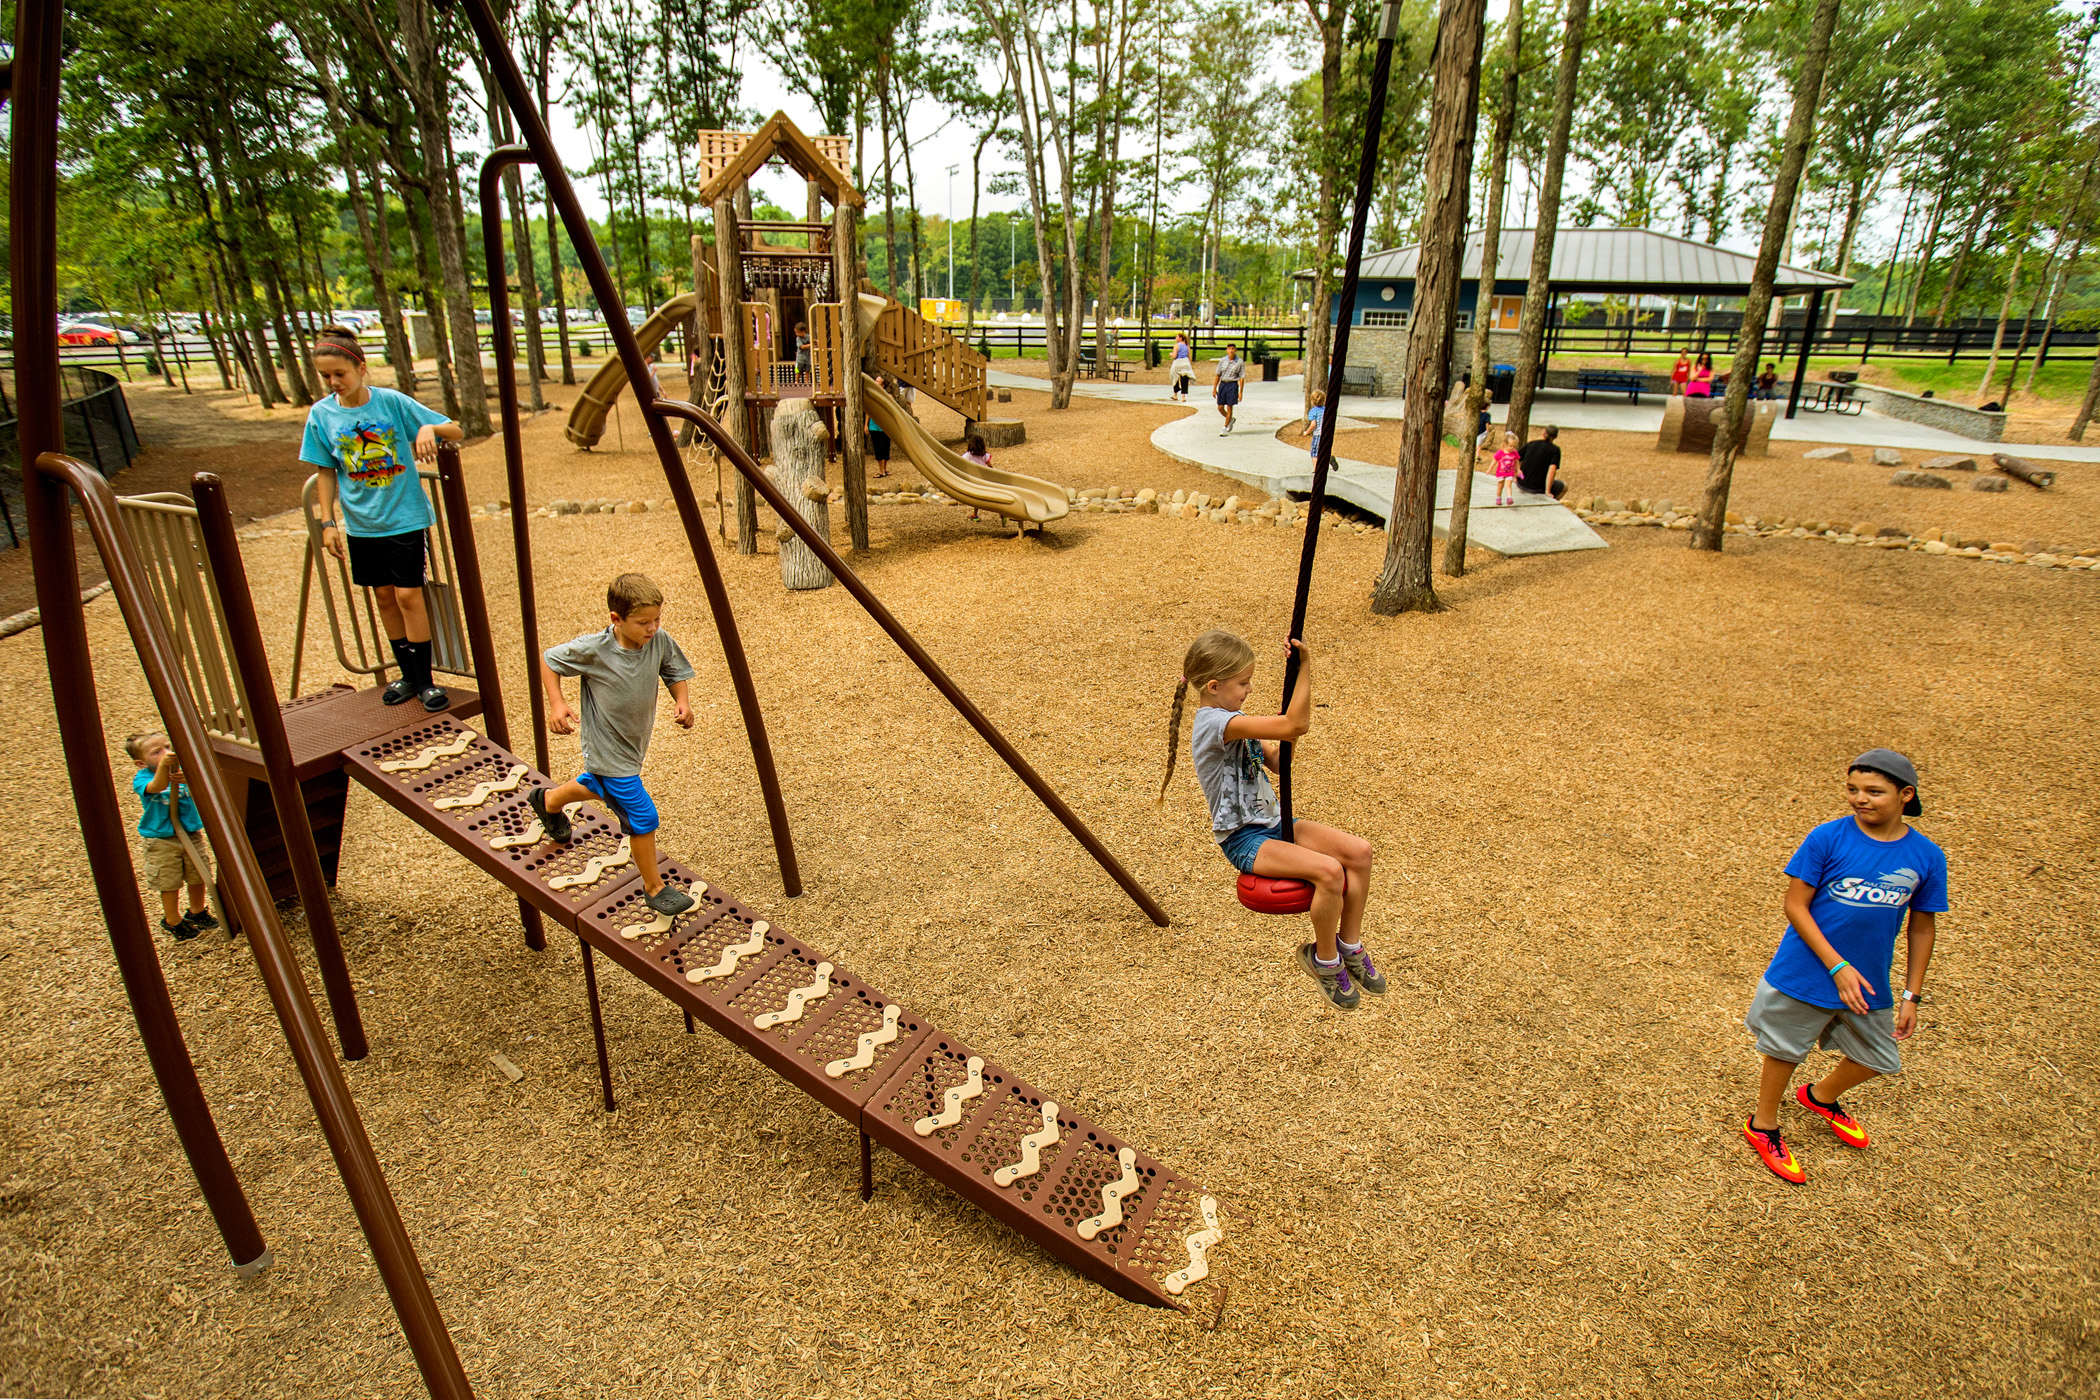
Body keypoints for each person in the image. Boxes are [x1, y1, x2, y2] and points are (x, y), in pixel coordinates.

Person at [1739, 749, 1946, 1185]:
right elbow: (1795, 906)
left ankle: (1820, 1096)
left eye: (1874, 791)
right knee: (1783, 1051)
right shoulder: (1828, 838)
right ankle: (1764, 1126)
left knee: (1879, 1058)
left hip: (1868, 980)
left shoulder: (1927, 857)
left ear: (1905, 794)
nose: (1859, 799)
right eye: (1853, 789)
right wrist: (1837, 967)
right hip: (1807, 971)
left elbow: (1921, 929)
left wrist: (1911, 995)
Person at [1159, 631, 1379, 1010]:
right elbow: (1295, 725)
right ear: (1214, 686)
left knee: (1359, 852)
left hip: (1275, 822)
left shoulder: (1235, 719)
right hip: (1245, 839)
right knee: (1330, 872)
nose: (1247, 690)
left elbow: (1279, 760)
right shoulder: (1214, 724)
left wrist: (1284, 736)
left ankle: (1350, 944)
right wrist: (1305, 667)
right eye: (1243, 683)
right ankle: (1323, 961)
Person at [301, 325, 464, 712]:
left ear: (360, 367)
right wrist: (327, 523)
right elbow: (325, 470)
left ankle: (426, 681)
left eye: (340, 374)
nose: (333, 382)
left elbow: (454, 429)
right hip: (361, 524)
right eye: (326, 376)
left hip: (404, 518)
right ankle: (406, 675)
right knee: (385, 597)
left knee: (409, 595)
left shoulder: (391, 403)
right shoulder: (321, 414)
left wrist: (427, 426)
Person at [528, 573, 700, 920]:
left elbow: (673, 670)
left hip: (631, 747)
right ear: (616, 620)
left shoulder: (658, 640)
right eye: (643, 622)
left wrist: (682, 701)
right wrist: (557, 703)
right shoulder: (595, 650)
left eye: (657, 619)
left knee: (596, 786)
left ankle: (547, 801)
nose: (652, 628)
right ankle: (654, 888)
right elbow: (549, 659)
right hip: (608, 752)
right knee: (642, 816)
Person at [126, 731, 218, 940]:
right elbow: (157, 787)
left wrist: (189, 778)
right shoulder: (143, 778)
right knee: (169, 881)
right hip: (161, 839)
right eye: (157, 752)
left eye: (167, 747)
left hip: (189, 832)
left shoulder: (181, 771)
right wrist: (164, 769)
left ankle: (197, 911)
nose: (166, 753)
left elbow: (203, 787)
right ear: (141, 763)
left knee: (199, 874)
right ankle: (173, 920)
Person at [1516, 424, 1565, 500]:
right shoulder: (1555, 450)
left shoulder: (1531, 444)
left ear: (1544, 434)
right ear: (1555, 437)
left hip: (1521, 483)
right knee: (1564, 486)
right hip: (1538, 488)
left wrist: (1515, 475)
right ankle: (1551, 503)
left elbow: (1516, 458)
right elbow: (1552, 471)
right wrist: (1547, 491)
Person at [1213, 344, 1246, 434]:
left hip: (1232, 385)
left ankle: (1224, 427)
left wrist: (1240, 392)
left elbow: (1242, 377)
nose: (1231, 351)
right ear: (1226, 350)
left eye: (1232, 349)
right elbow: (1218, 374)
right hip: (1223, 384)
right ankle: (1230, 419)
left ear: (1235, 350)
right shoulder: (1223, 360)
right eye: (1229, 349)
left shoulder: (1239, 362)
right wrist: (1214, 388)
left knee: (1229, 407)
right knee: (1220, 407)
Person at [961, 432, 992, 520]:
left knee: (976, 497)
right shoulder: (985, 455)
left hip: (974, 480)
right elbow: (990, 467)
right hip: (984, 480)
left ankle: (975, 514)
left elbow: (960, 462)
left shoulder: (968, 456)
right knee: (992, 498)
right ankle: (1002, 513)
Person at [868, 377, 892, 479]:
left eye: (877, 381)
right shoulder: (872, 396)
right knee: (878, 448)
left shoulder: (888, 396)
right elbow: (868, 411)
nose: (874, 382)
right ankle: (881, 471)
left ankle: (885, 469)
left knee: (885, 448)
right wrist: (866, 425)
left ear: (882, 386)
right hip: (874, 427)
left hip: (886, 426)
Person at [1491, 429, 1521, 506]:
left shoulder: (1514, 452)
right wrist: (1489, 469)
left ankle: (1509, 498)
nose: (1512, 448)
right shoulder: (1500, 452)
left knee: (1508, 485)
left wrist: (1518, 469)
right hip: (1501, 472)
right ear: (1505, 444)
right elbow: (1494, 461)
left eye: (1514, 446)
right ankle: (1498, 497)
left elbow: (1517, 461)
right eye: (1510, 446)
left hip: (1510, 472)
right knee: (1500, 486)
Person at [1300, 389, 1327, 456]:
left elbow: (1313, 425)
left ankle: (1316, 466)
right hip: (1326, 434)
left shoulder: (1313, 411)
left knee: (1314, 452)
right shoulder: (1325, 410)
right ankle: (1329, 457)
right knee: (1324, 450)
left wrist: (1307, 432)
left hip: (1318, 434)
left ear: (1312, 401)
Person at [1170, 335, 1193, 403]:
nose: (1175, 338)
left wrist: (1171, 354)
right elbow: (1189, 356)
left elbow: (1175, 356)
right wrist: (1190, 364)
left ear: (1180, 338)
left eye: (1177, 337)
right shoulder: (1187, 346)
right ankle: (1183, 397)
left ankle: (1175, 394)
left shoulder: (1176, 345)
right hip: (1185, 362)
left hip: (1178, 362)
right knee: (1184, 378)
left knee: (1174, 377)